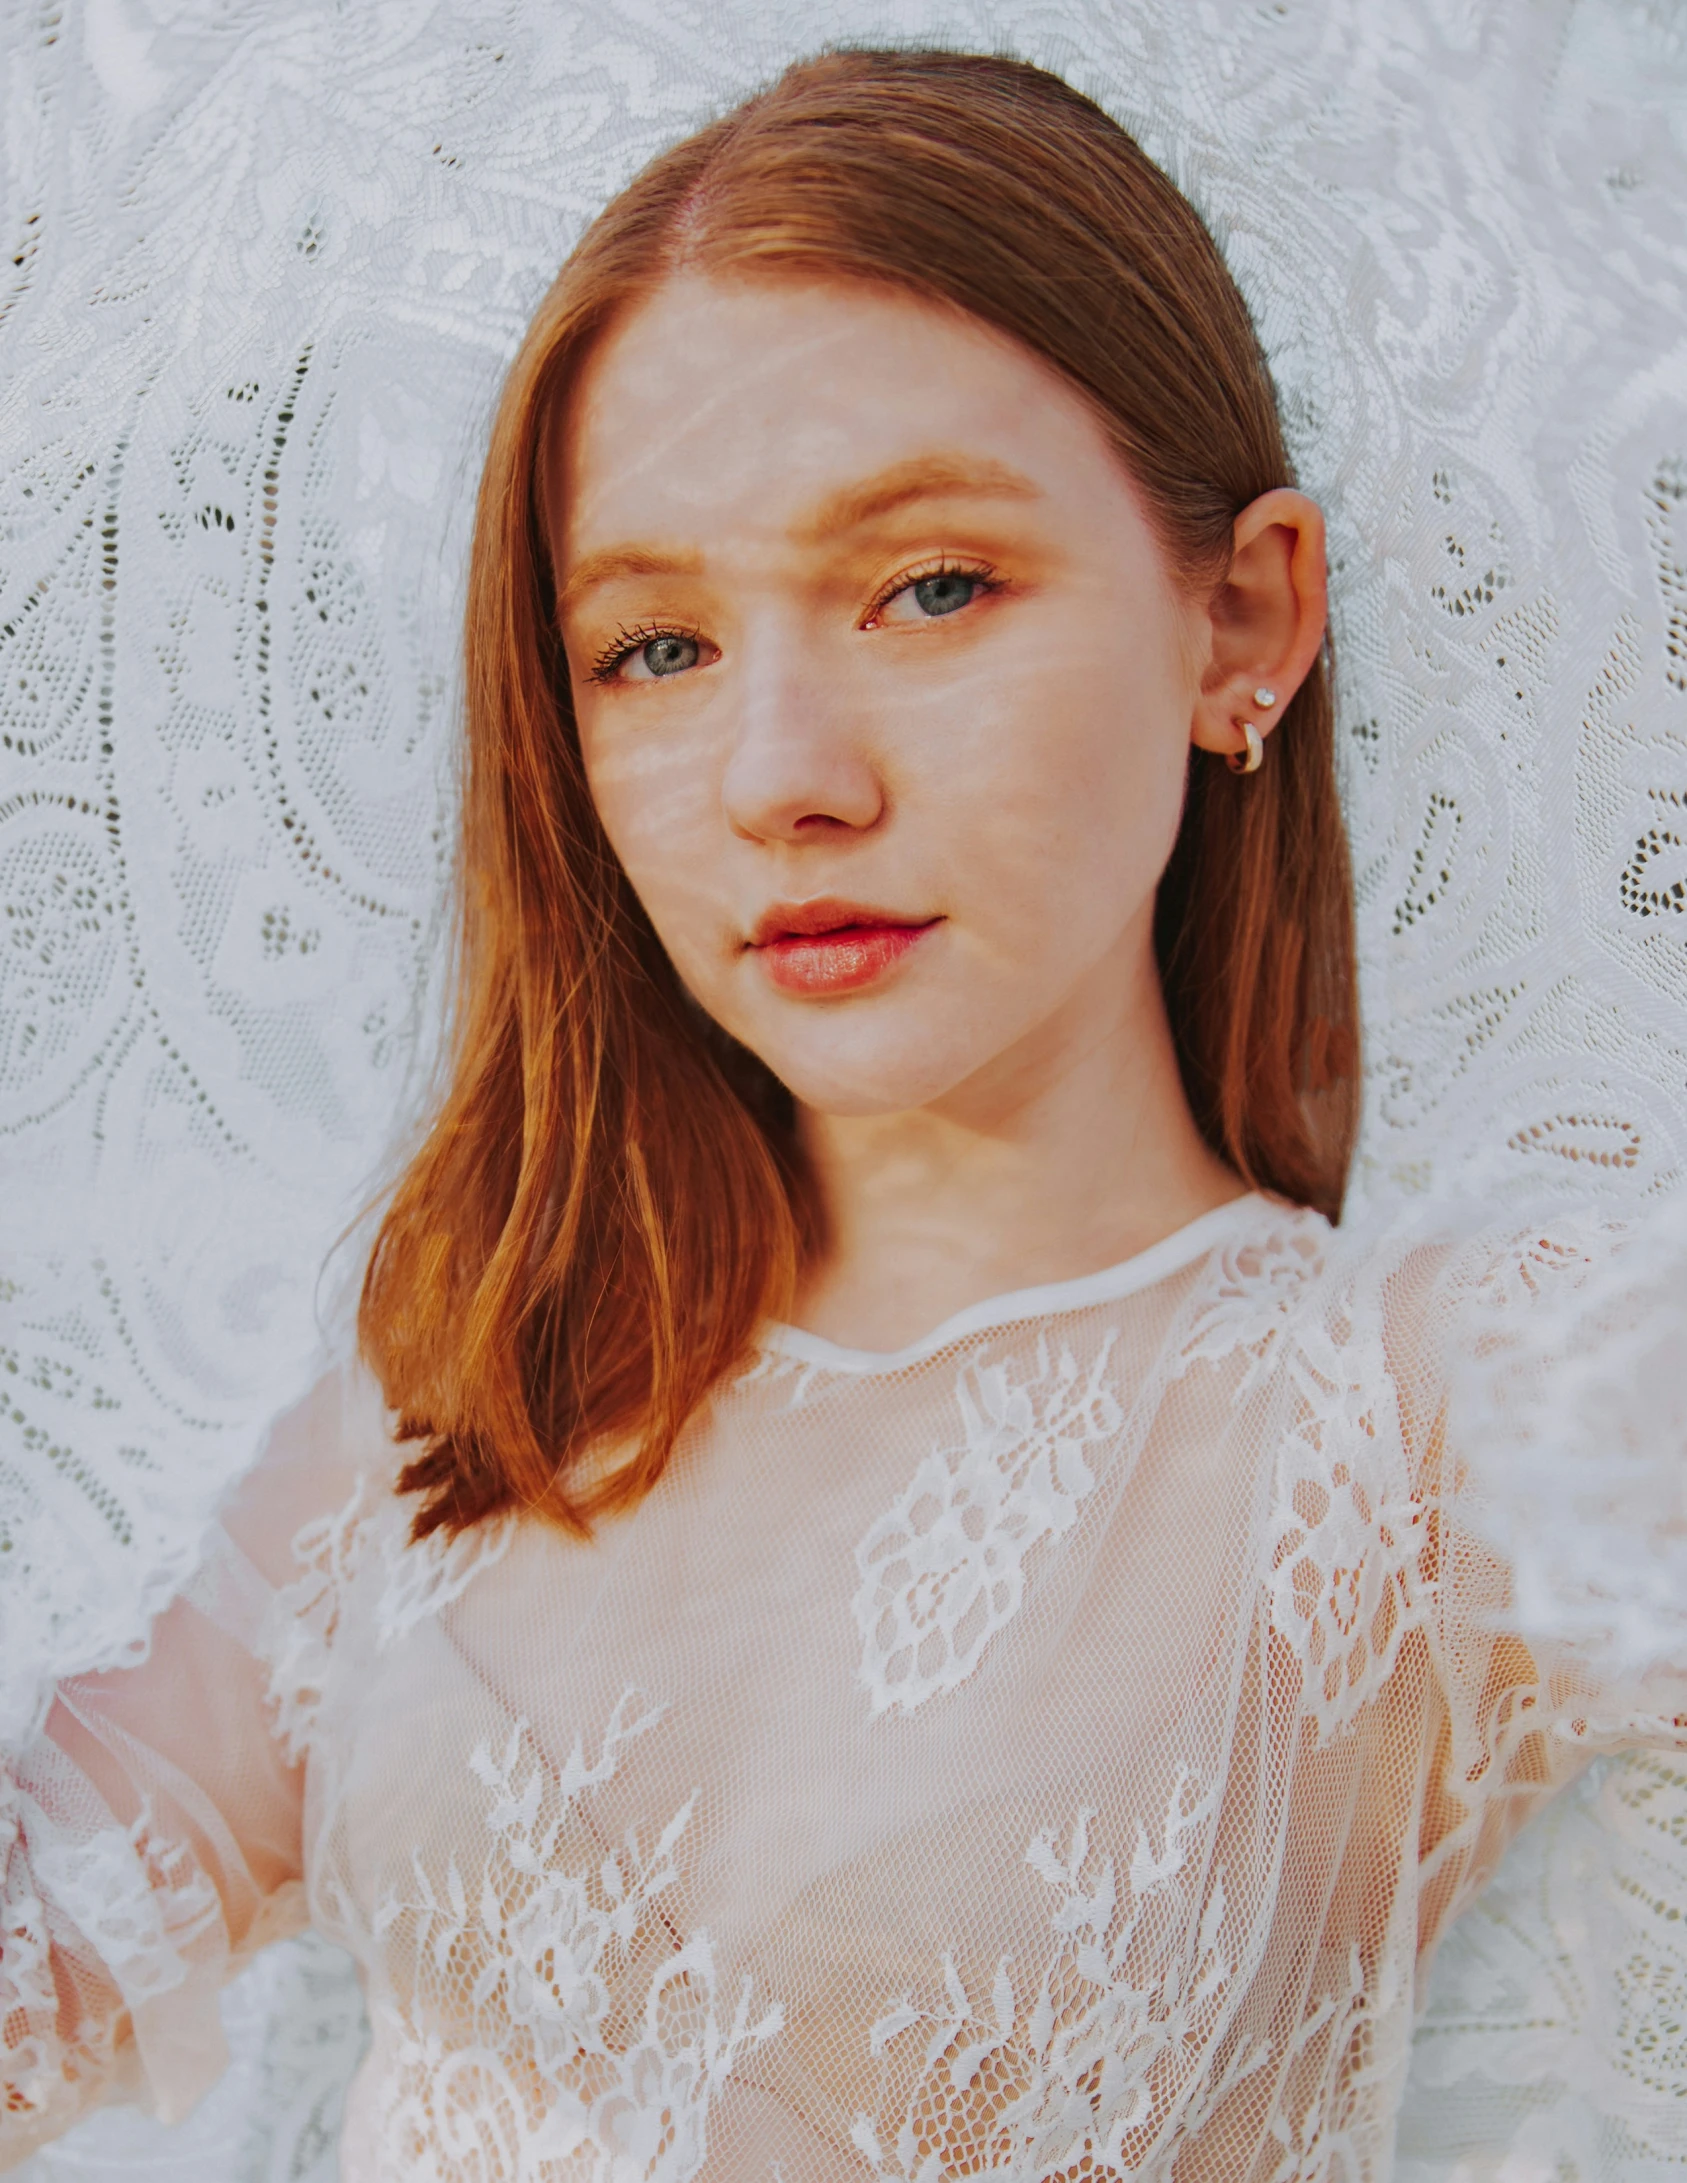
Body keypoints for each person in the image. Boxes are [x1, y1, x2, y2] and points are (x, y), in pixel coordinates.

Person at [2, 46, 1680, 2183]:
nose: (781, 772)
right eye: (656, 644)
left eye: (932, 587)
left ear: (1241, 617)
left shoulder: (1414, 1417)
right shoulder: (469, 1398)